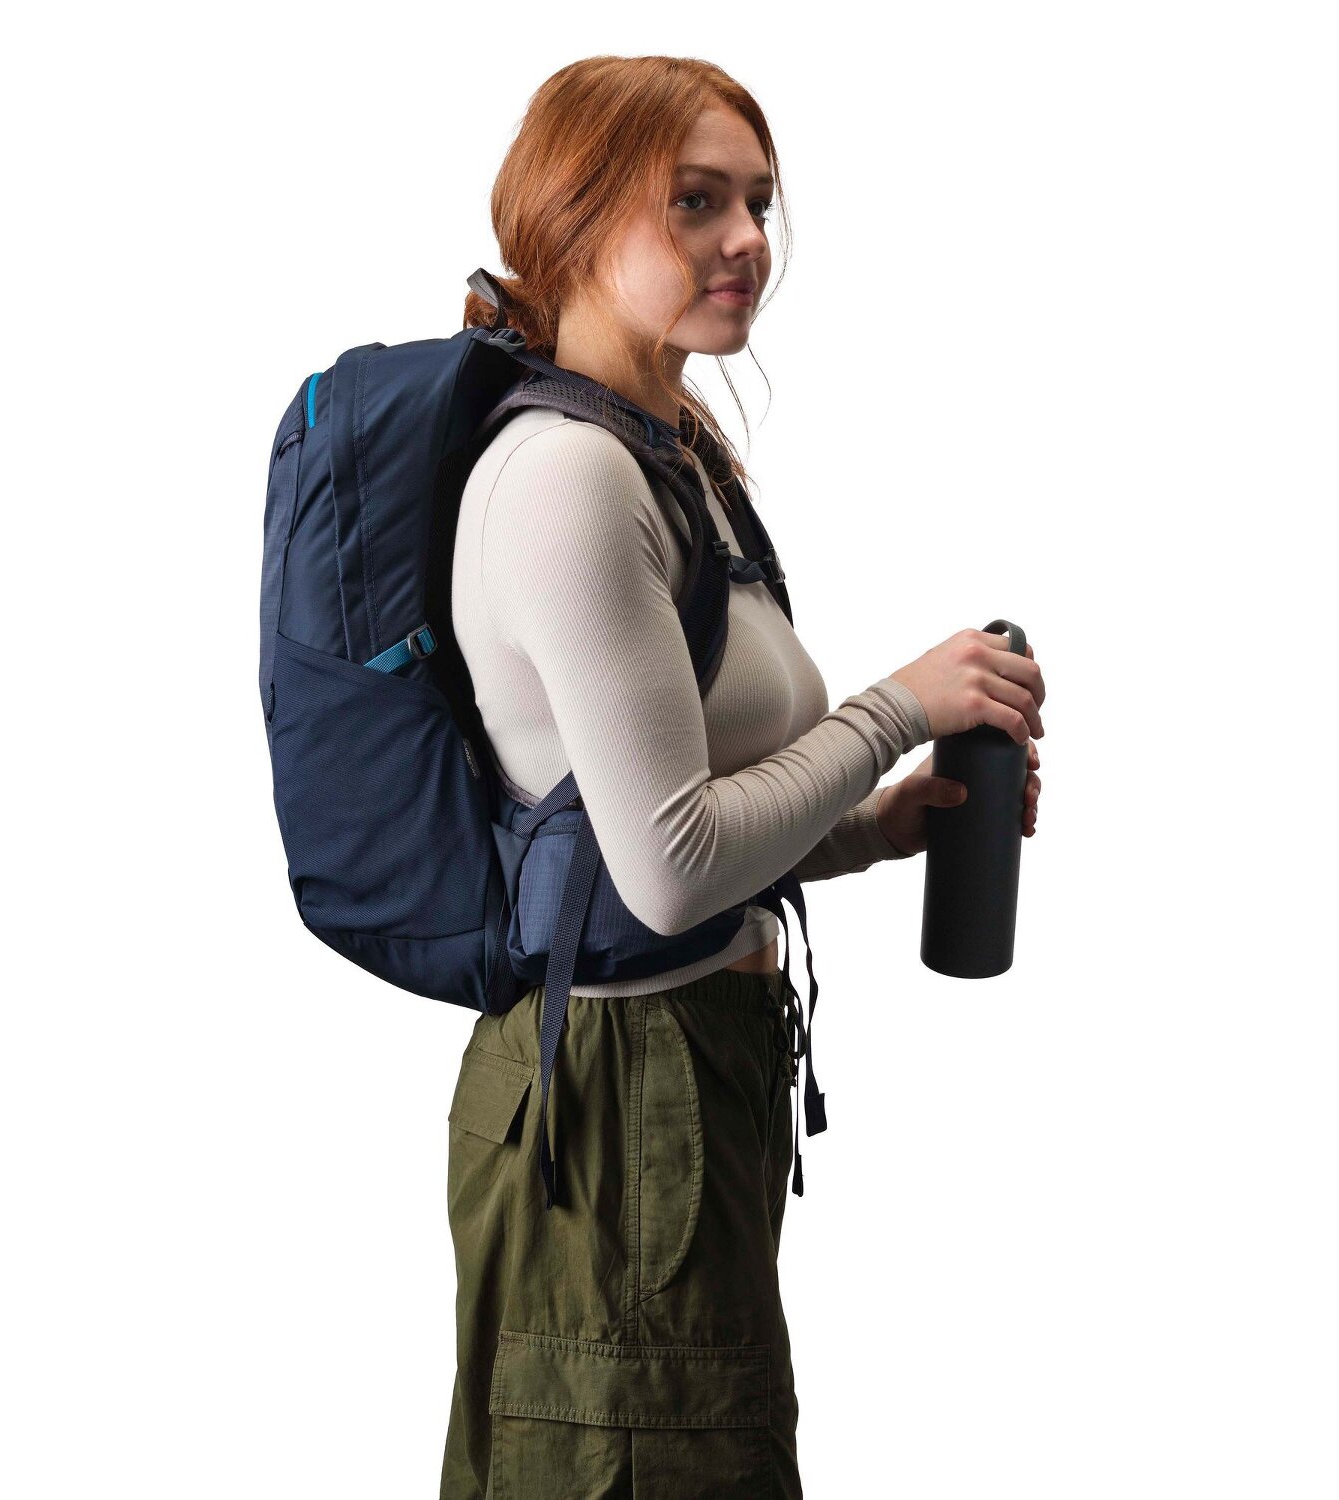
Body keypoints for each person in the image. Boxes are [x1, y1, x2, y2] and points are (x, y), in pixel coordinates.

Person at [441, 55, 1045, 1499]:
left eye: (759, 203)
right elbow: (667, 869)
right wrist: (898, 709)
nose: (747, 240)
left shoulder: (667, 453)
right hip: (619, 1100)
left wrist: (877, 828)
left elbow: (656, 814)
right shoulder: (569, 478)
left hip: (681, 1081)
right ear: (576, 213)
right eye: (696, 202)